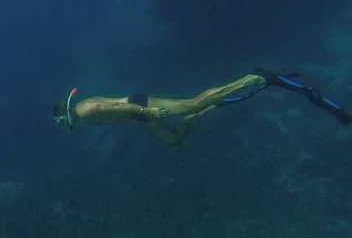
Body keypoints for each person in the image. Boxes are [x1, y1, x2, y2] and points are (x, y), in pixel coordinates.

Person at [53, 67, 351, 146]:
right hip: (137, 112)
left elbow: (116, 108)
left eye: (61, 122)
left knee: (193, 102)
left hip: (139, 107)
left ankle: (254, 77)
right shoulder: (83, 108)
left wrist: (149, 112)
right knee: (173, 140)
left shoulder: (85, 112)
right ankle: (208, 109)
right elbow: (115, 108)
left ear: (66, 113)